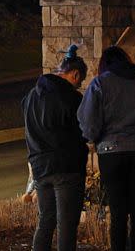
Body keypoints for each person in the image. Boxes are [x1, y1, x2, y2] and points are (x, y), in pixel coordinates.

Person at [77, 46, 135, 251]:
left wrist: (96, 139)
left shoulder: (100, 84)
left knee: (118, 211)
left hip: (111, 154)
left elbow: (88, 127)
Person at [22, 44, 89, 251]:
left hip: (41, 168)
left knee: (46, 221)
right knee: (67, 226)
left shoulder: (30, 97)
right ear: (75, 74)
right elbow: (84, 132)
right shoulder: (72, 98)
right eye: (80, 82)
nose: (78, 86)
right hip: (67, 167)